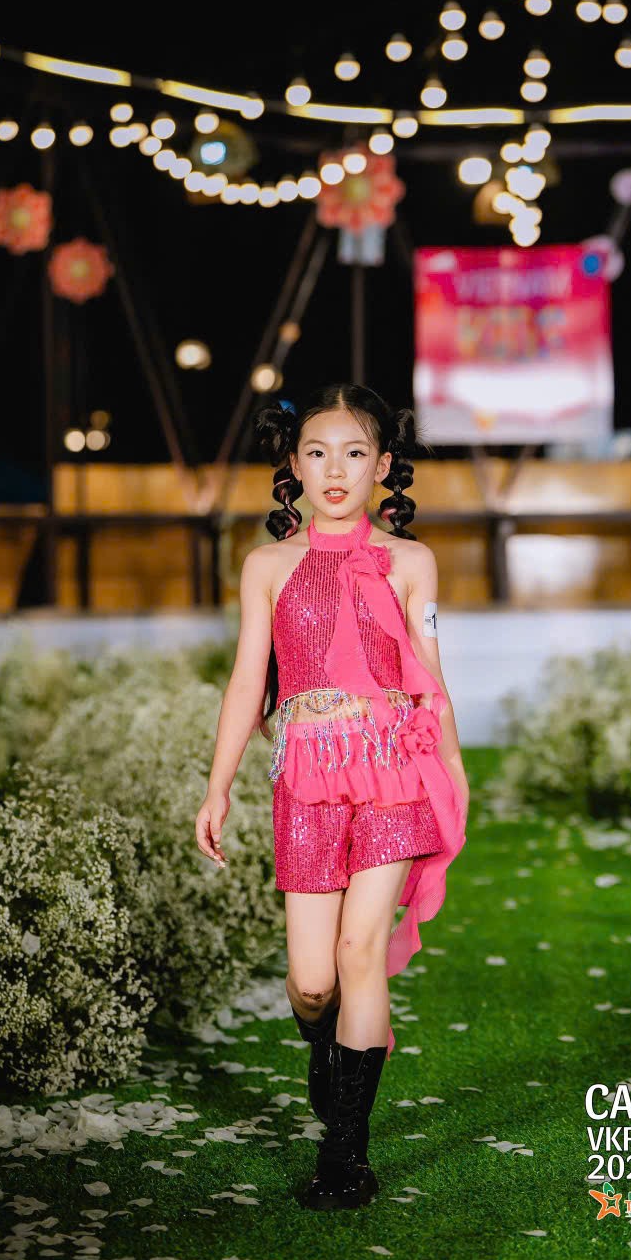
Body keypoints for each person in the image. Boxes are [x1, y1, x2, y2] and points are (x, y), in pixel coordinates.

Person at [195, 382, 469, 1211]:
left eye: (354, 453)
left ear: (382, 466)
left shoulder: (411, 562)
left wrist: (453, 771)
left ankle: (344, 1154)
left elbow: (429, 677)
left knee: (360, 952)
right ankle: (326, 1046)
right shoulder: (267, 566)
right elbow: (247, 680)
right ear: (294, 464)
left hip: (392, 774)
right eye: (317, 453)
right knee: (313, 982)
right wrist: (216, 788)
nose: (336, 470)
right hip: (306, 779)